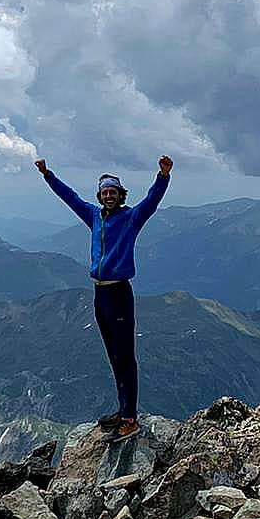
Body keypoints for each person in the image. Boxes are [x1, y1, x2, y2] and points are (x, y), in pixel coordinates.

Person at [34, 154, 173, 440]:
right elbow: (70, 197)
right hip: (100, 294)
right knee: (114, 356)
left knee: (125, 357)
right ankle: (123, 411)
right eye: (105, 192)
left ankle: (130, 419)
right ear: (100, 196)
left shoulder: (130, 218)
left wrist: (163, 176)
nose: (109, 196)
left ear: (121, 195)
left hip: (119, 292)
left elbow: (151, 201)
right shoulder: (93, 216)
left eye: (113, 192)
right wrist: (48, 175)